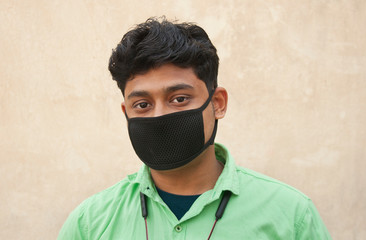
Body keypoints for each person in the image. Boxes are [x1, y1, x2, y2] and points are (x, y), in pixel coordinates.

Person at [58, 17, 331, 239]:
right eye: (142, 104)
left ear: (218, 103)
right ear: (126, 113)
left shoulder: (291, 215)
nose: (160, 115)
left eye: (179, 99)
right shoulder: (89, 224)